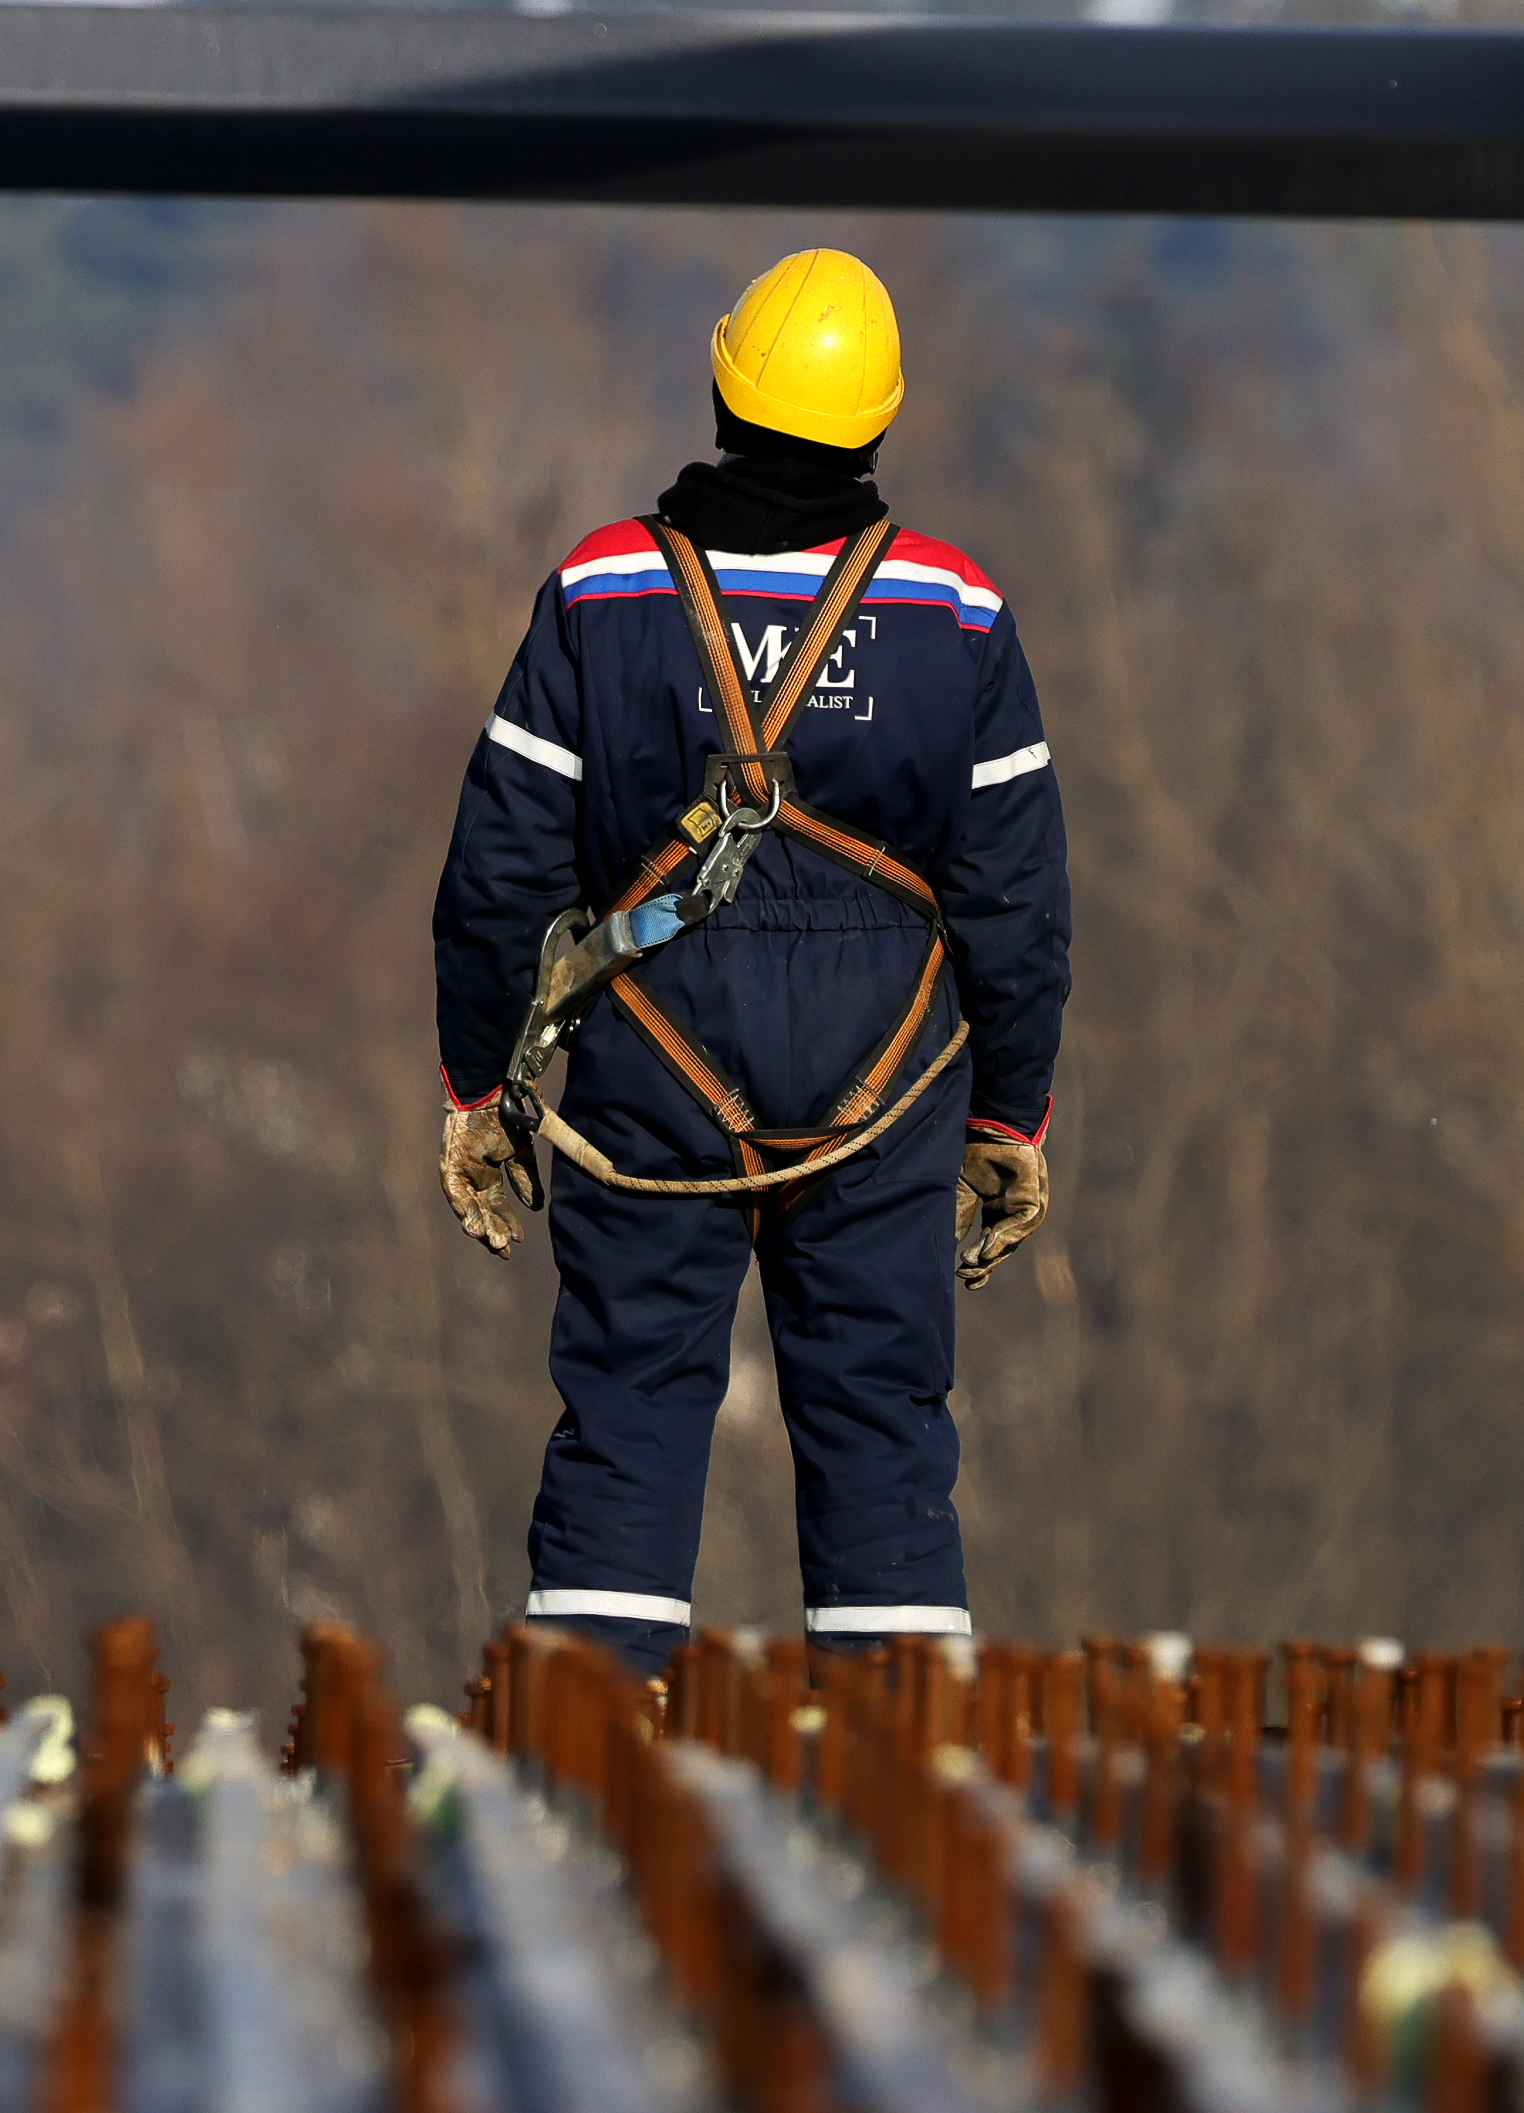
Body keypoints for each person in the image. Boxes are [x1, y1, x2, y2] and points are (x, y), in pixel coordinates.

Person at [425, 246, 1069, 1673]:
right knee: (884, 1422)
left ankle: (594, 1747)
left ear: (723, 384)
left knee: (633, 1406)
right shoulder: (955, 611)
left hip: (653, 1059)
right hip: (888, 1081)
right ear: (882, 419)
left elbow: (496, 876)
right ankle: (904, 1769)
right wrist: (1007, 1115)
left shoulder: (601, 593)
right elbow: (1017, 902)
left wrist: (483, 1084)